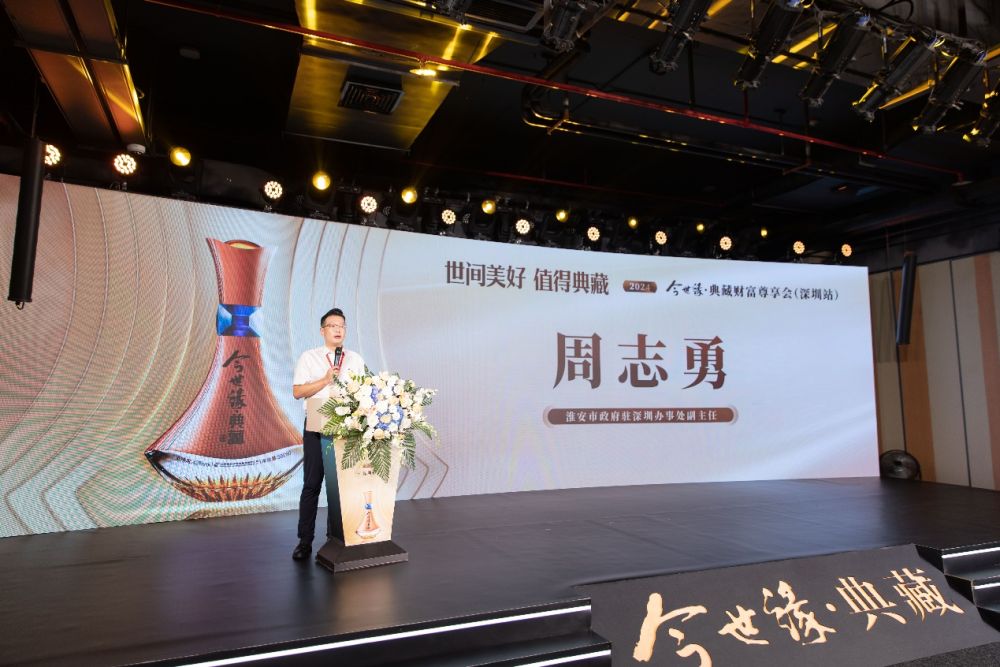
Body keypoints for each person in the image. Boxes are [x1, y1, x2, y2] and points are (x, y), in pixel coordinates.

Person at [291, 308, 366, 561]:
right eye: (333, 325)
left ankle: (335, 540)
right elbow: (298, 392)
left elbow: (364, 391)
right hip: (317, 424)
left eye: (342, 326)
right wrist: (325, 380)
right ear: (322, 330)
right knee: (312, 484)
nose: (338, 330)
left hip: (346, 426)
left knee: (341, 487)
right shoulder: (309, 357)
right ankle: (305, 541)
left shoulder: (355, 359)